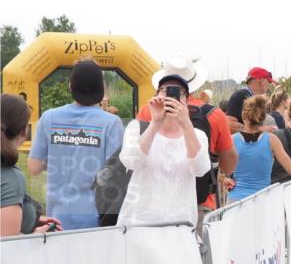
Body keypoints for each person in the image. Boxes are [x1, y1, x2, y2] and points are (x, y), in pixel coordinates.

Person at [135, 58, 238, 225]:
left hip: (153, 203)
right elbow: (229, 165)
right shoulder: (215, 114)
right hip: (199, 204)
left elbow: (135, 154)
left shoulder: (149, 110)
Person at [26, 59, 125, 230]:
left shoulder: (49, 118)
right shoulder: (112, 123)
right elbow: (114, 175)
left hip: (56, 220)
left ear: (70, 86)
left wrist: (60, 152)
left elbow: (34, 167)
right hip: (94, 220)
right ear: (101, 87)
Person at [117, 73, 211, 228]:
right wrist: (155, 123)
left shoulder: (197, 136)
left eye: (179, 93)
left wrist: (186, 124)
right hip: (138, 225)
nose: (171, 96)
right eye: (165, 90)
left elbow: (200, 169)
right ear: (156, 96)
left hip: (180, 225)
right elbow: (131, 161)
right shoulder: (137, 128)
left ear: (187, 101)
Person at [227, 95, 291, 203]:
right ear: (263, 118)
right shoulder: (271, 140)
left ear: (244, 116)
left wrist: (224, 179)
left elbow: (222, 172)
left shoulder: (232, 140)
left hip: (235, 202)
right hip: (262, 199)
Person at [1, 94, 61, 236]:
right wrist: (35, 236)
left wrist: (30, 219)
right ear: (24, 132)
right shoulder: (11, 178)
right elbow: (7, 244)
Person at [225, 66, 275, 133]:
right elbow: (230, 124)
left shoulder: (249, 95)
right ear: (260, 79)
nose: (269, 84)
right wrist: (258, 129)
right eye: (268, 81)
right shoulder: (241, 95)